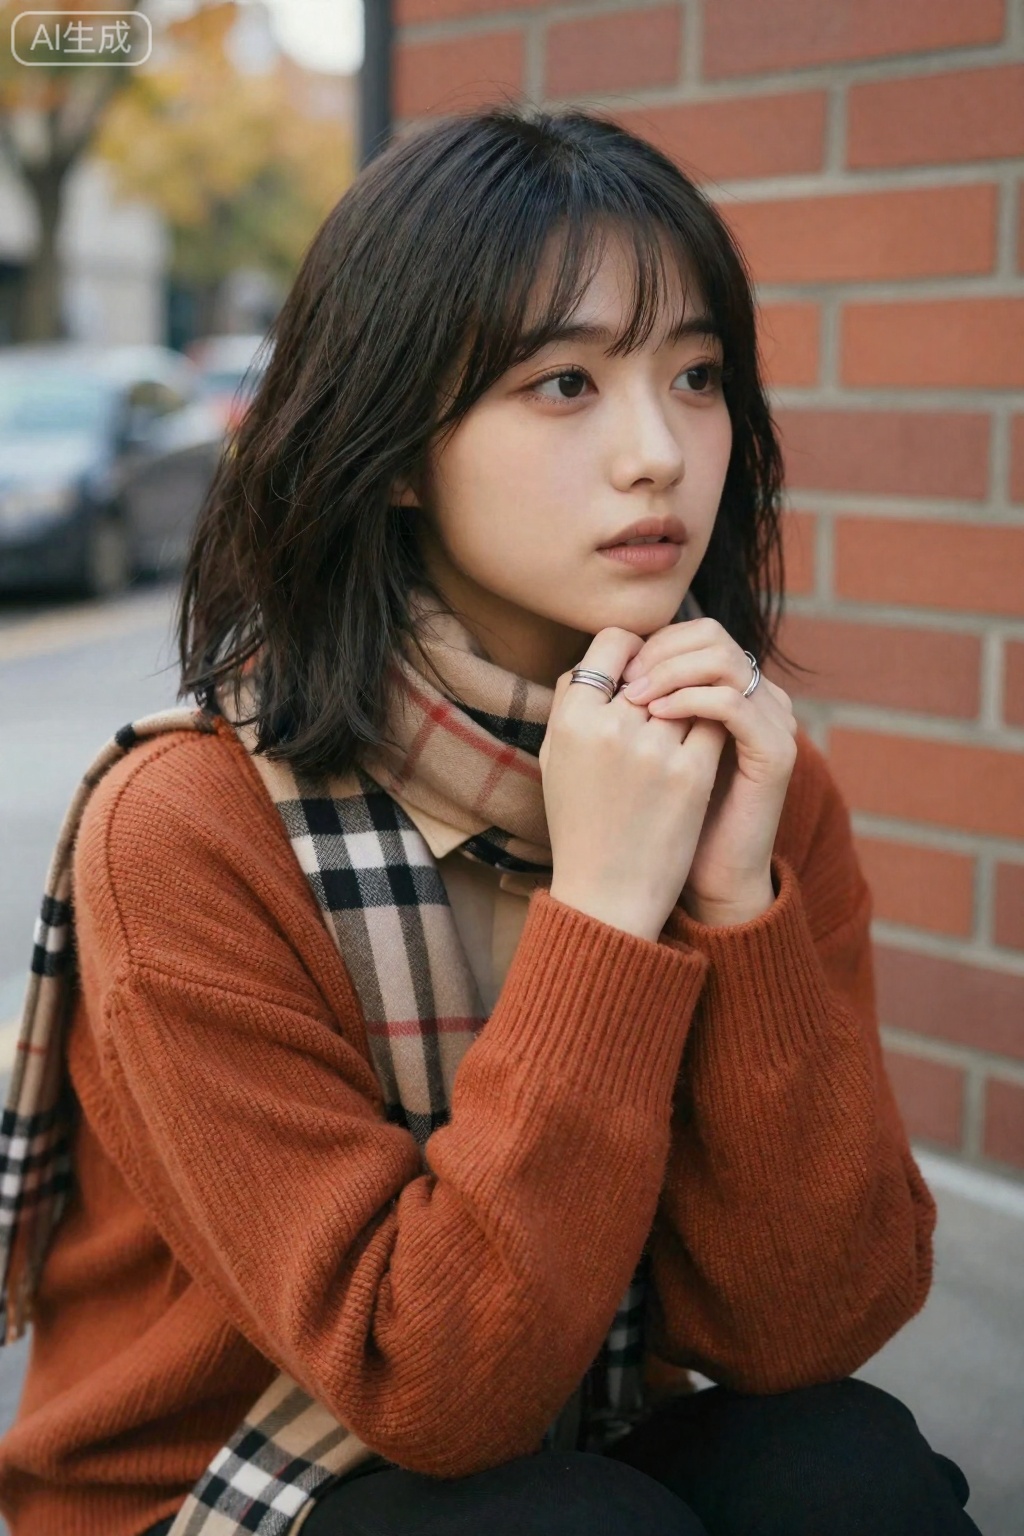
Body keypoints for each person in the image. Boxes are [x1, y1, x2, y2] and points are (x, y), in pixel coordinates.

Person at [0, 103, 982, 1536]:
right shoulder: (193, 829)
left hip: (567, 1426)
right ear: (395, 446)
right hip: (222, 1484)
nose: (658, 453)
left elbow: (804, 1330)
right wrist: (600, 911)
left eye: (697, 374)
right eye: (566, 384)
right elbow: (433, 1381)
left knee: (842, 1464)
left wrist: (731, 906)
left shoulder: (748, 781)